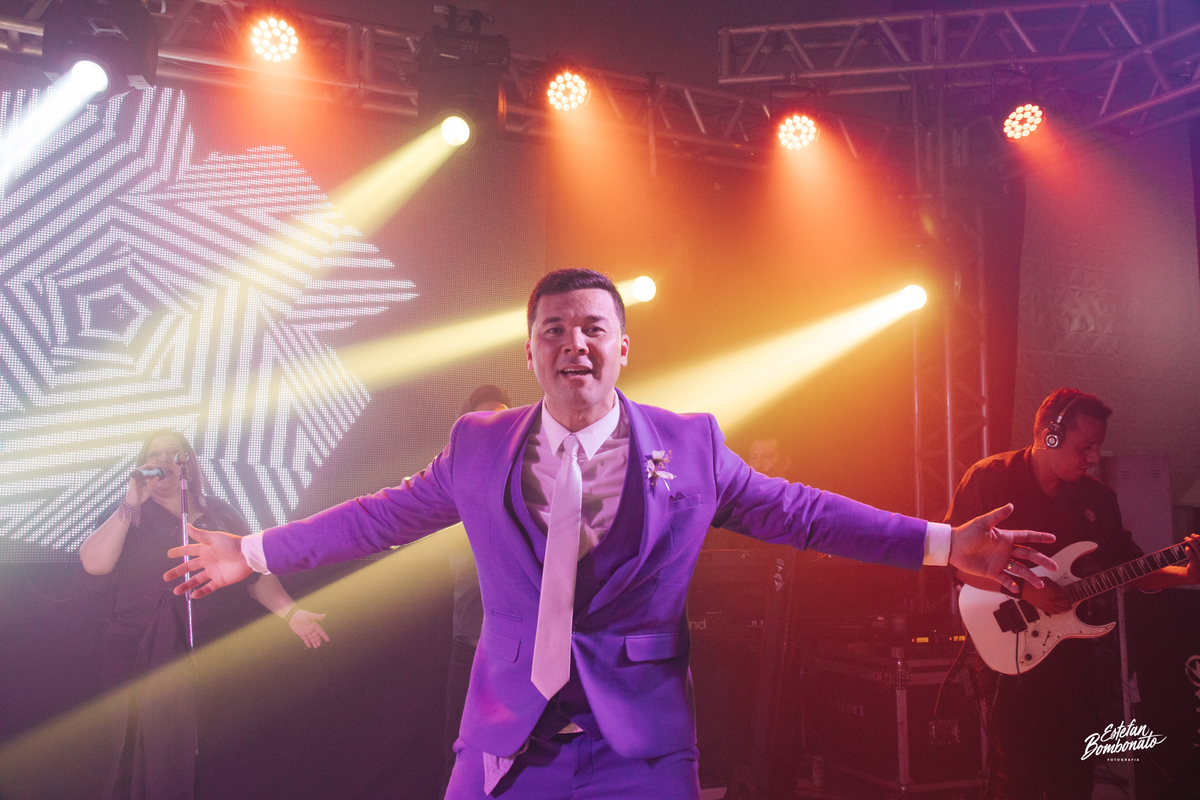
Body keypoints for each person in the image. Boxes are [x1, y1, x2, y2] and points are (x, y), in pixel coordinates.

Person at [165, 268, 1056, 800]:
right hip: (508, 738)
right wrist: (254, 551)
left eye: (593, 327)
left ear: (624, 347)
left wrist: (944, 544)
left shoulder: (692, 445)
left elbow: (803, 512)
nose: (574, 344)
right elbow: (380, 516)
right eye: (553, 330)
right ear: (530, 352)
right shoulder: (477, 446)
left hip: (640, 745)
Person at [946, 388, 1200, 800]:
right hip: (1007, 641)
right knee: (1020, 775)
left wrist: (1185, 575)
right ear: (1050, 436)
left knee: (1074, 773)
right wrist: (1026, 591)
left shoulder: (1096, 498)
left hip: (1072, 654)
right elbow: (956, 563)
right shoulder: (990, 478)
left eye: (1097, 447)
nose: (1095, 458)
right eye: (1085, 447)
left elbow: (1131, 569)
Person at [80, 430, 329, 800]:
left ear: (188, 463)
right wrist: (131, 501)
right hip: (138, 652)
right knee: (142, 754)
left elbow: (255, 575)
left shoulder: (220, 513)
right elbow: (94, 564)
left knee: (213, 751)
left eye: (173, 452)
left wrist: (291, 614)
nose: (163, 459)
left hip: (212, 650)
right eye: (154, 453)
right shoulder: (130, 515)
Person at [443, 385, 515, 796]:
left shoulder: (526, 478)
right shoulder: (455, 481)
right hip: (471, 643)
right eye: (486, 419)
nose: (495, 427)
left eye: (502, 417)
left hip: (515, 649)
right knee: (461, 756)